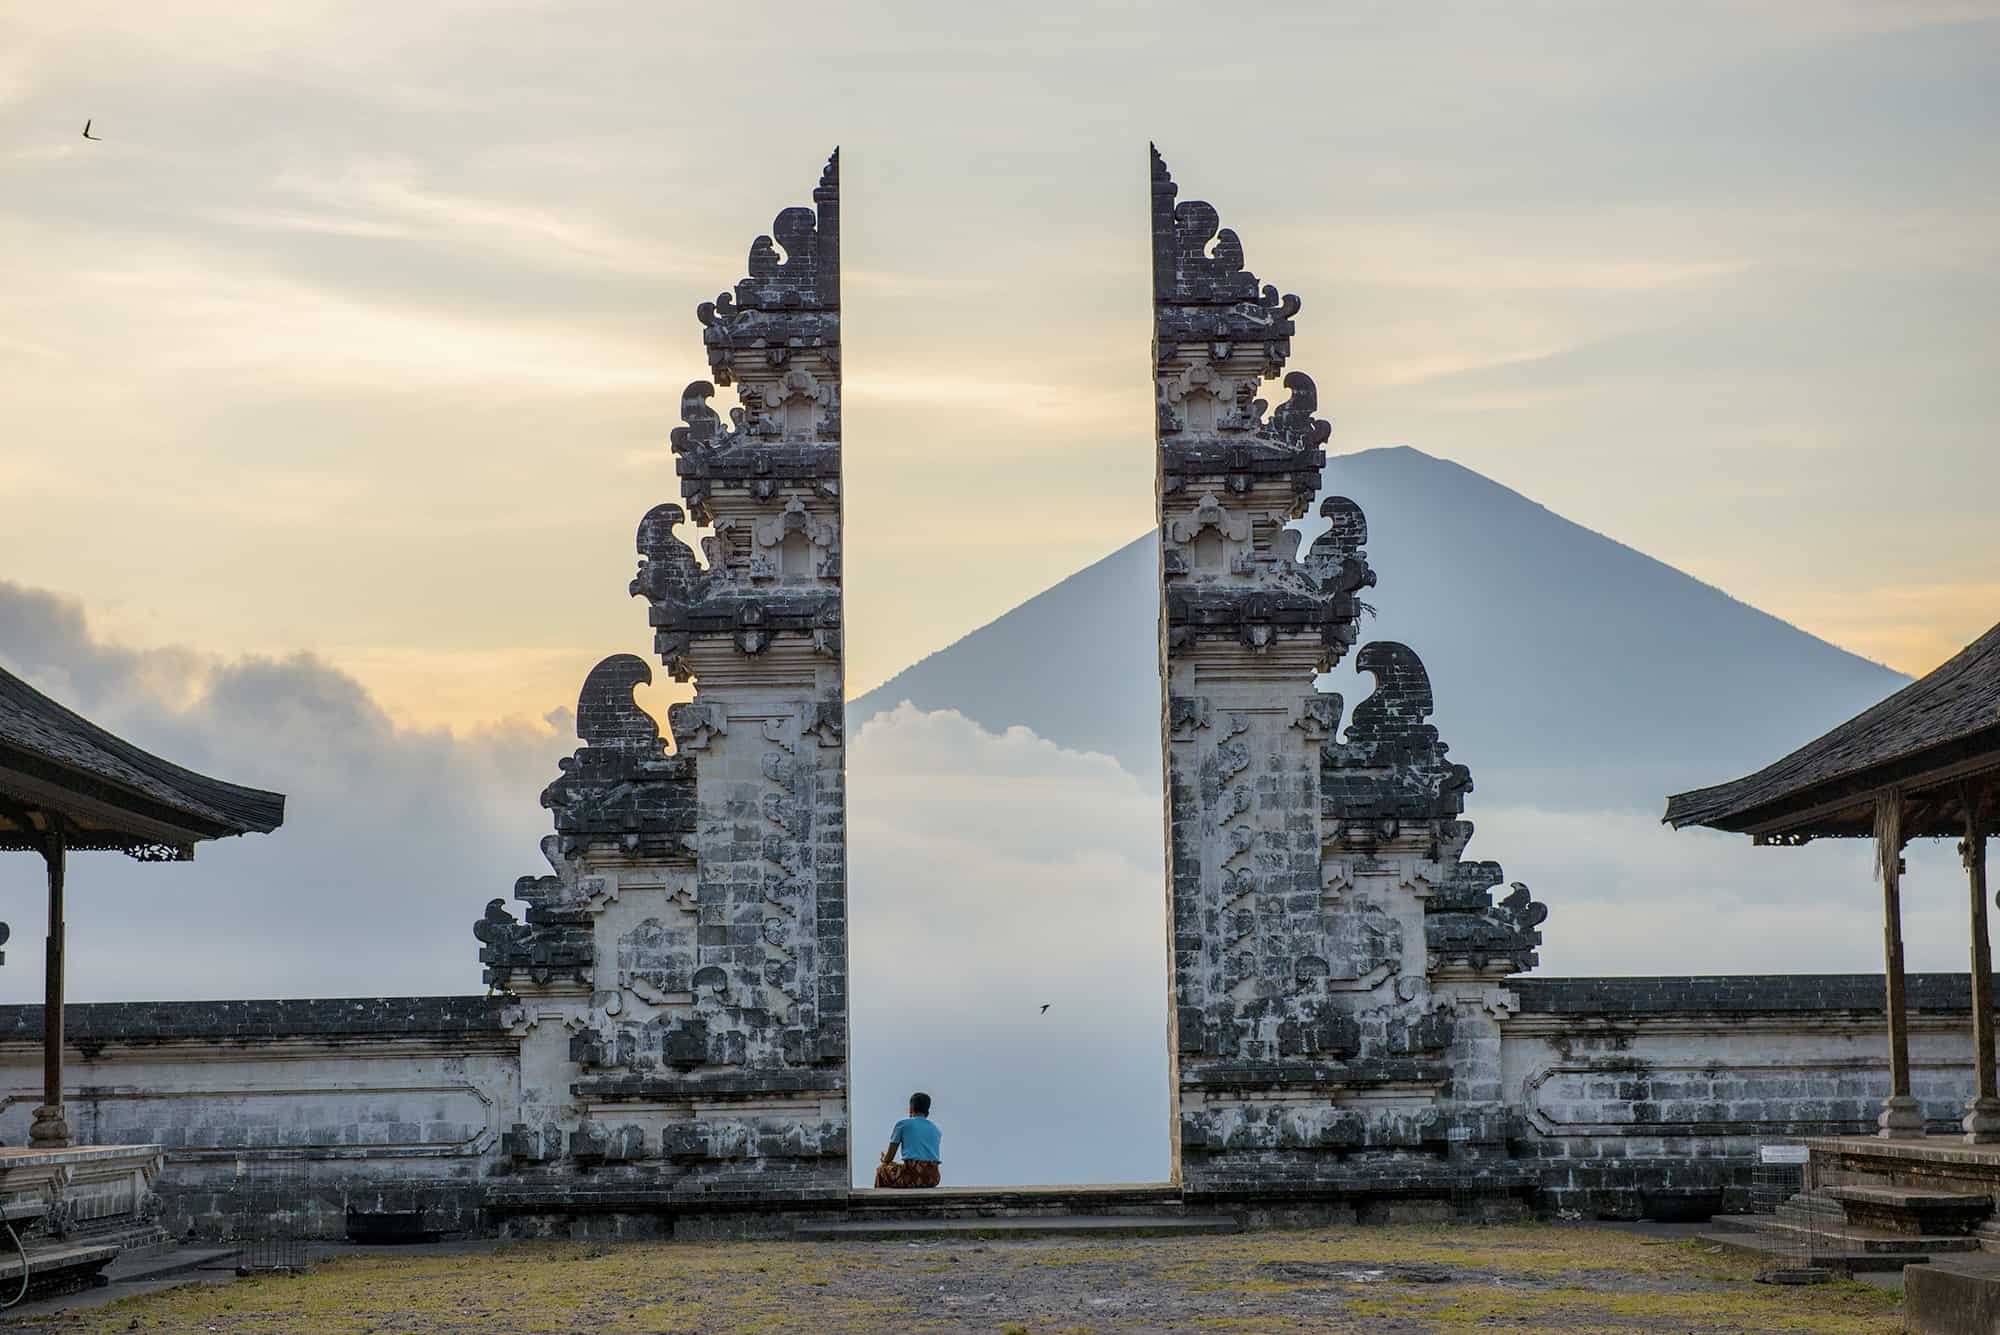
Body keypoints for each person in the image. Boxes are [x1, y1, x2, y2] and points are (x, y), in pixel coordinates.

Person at [875, 1091, 942, 1188]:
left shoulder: (902, 1125)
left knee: (881, 1170)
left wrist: (884, 1159)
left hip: (912, 1176)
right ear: (927, 1113)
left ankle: (880, 1202)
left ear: (910, 1109)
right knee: (896, 1167)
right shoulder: (936, 1130)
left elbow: (889, 1158)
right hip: (933, 1178)